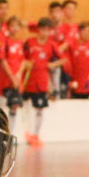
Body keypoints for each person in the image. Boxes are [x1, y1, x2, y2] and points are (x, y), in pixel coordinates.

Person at [21, 17, 60, 146]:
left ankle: (36, 135)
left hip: (42, 81)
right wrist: (26, 63)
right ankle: (26, 132)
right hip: (28, 80)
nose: (44, 32)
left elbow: (64, 59)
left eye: (47, 30)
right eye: (42, 29)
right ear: (38, 30)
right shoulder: (29, 42)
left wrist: (53, 65)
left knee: (39, 109)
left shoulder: (52, 45)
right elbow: (21, 57)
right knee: (25, 107)